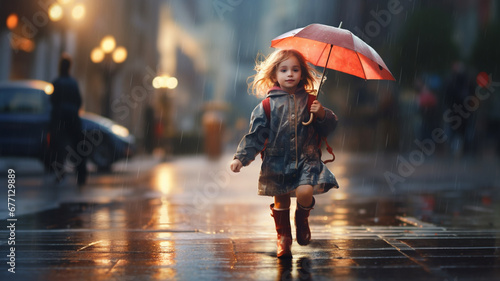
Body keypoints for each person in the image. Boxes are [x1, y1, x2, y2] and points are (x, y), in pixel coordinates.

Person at [230, 49, 339, 258]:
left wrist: (322, 114)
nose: (290, 74)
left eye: (295, 70)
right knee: (281, 201)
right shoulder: (266, 105)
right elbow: (256, 135)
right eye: (284, 70)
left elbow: (329, 127)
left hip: (307, 159)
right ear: (275, 75)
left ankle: (302, 219)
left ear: (302, 74)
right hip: (277, 161)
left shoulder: (310, 102)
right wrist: (240, 158)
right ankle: (283, 238)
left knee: (305, 192)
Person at [50, 53, 87, 186]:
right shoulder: (73, 83)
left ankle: (60, 172)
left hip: (60, 119)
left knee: (58, 148)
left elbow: (52, 101)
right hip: (73, 118)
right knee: (78, 147)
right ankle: (81, 176)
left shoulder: (57, 82)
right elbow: (79, 101)